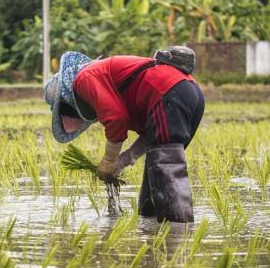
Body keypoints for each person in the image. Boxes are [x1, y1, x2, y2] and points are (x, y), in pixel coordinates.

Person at [43, 47, 205, 223]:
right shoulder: (105, 79)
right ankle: (152, 231)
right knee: (158, 176)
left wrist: (109, 159)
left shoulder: (84, 79)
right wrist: (122, 160)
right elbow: (150, 137)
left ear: (69, 99)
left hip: (169, 93)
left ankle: (177, 237)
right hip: (188, 92)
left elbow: (116, 118)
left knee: (167, 168)